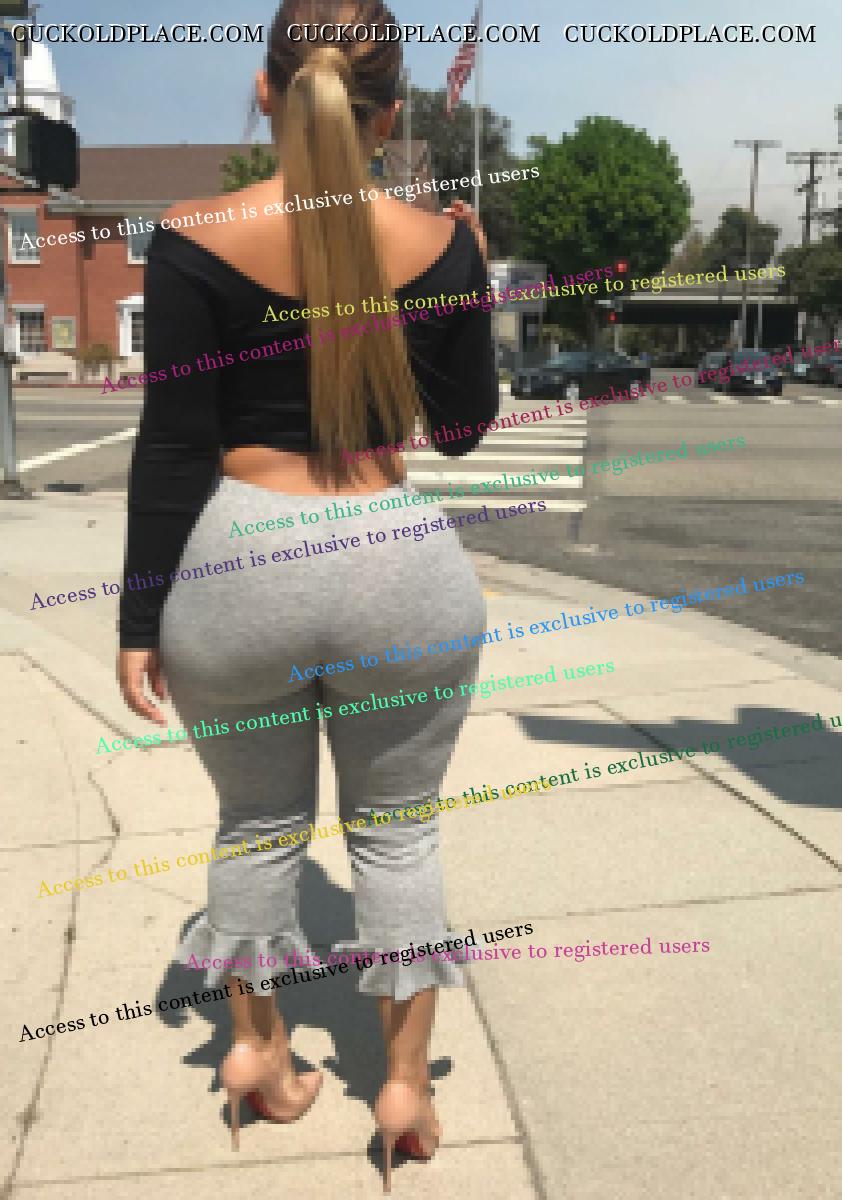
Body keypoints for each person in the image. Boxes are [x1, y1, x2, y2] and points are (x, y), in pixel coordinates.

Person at [115, 0, 498, 1186]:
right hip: (395, 566)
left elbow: (173, 443)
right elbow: (462, 430)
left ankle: (256, 1056)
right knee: (397, 838)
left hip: (239, 565)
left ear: (266, 91)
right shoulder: (436, 240)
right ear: (389, 115)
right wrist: (470, 274)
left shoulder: (190, 237)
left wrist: (139, 618)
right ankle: (402, 1086)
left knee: (254, 827)